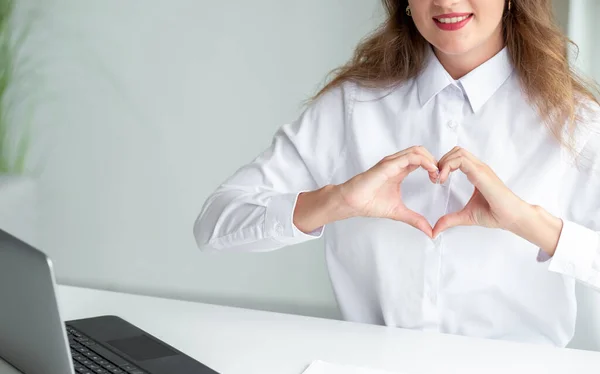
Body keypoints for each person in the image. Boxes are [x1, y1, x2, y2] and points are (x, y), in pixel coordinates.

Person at [194, 0, 600, 348]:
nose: (446, 1)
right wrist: (336, 201)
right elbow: (213, 226)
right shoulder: (351, 105)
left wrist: (529, 222)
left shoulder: (576, 121)